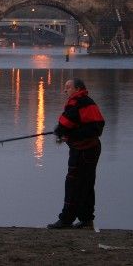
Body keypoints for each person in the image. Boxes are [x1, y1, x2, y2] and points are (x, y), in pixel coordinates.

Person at [48, 78, 105, 230]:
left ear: (78, 89)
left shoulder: (79, 102)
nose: (65, 90)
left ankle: (66, 219)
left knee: (73, 183)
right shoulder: (84, 102)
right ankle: (86, 219)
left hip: (85, 150)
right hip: (88, 148)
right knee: (86, 184)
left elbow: (68, 123)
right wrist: (64, 133)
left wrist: (63, 132)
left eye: (68, 87)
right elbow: (72, 124)